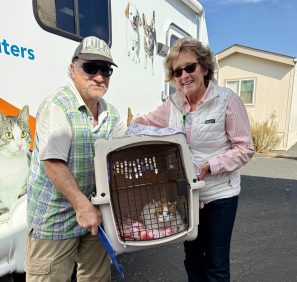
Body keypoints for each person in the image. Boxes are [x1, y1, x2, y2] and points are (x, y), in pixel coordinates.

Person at [133, 37, 255, 281]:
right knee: (193, 260)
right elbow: (144, 123)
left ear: (205, 67)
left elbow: (245, 148)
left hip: (220, 196)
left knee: (216, 264)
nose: (184, 76)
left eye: (190, 67)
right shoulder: (173, 105)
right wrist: (131, 129)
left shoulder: (227, 100)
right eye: (177, 72)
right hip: (187, 196)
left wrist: (210, 166)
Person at [25, 36, 126, 282]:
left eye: (106, 70)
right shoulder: (57, 105)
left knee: (96, 278)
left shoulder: (111, 114)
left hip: (94, 215)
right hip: (55, 218)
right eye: (90, 68)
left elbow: (121, 157)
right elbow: (53, 164)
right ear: (73, 69)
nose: (99, 77)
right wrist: (83, 207)